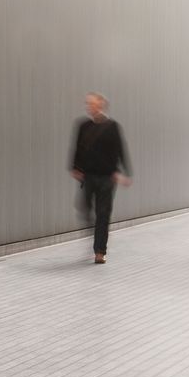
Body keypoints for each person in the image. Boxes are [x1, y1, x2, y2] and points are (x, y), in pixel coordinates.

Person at [70, 92, 132, 264]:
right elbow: (77, 148)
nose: (89, 106)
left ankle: (100, 251)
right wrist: (75, 167)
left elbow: (120, 149)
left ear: (101, 105)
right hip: (88, 176)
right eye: (87, 103)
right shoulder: (82, 126)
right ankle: (96, 235)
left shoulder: (112, 126)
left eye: (92, 103)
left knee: (103, 214)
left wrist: (126, 172)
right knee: (84, 208)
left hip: (107, 177)